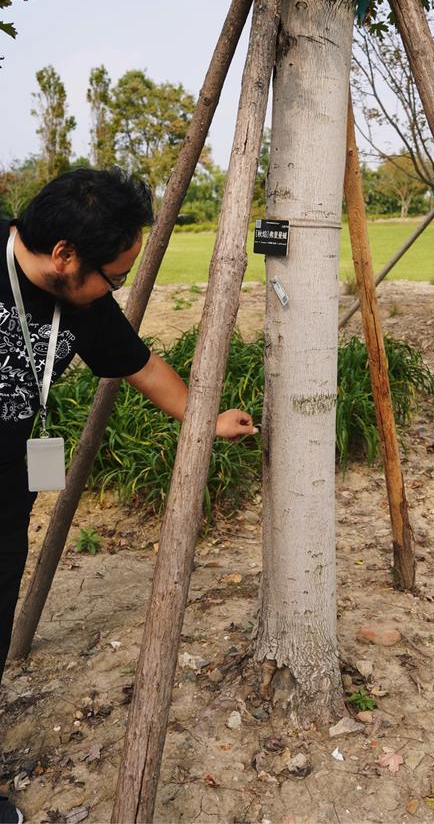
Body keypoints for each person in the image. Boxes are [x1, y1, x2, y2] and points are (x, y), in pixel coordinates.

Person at [0, 168, 256, 824]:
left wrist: (207, 416)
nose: (114, 289)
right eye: (112, 276)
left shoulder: (82, 305)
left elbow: (138, 365)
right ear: (64, 254)